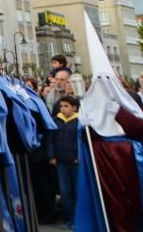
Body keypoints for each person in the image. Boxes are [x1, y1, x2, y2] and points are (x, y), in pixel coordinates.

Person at [49, 95, 79, 228]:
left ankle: (78, 219)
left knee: (77, 191)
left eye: (66, 106)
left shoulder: (79, 122)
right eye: (61, 106)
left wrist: (79, 156)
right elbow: (51, 140)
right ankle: (69, 219)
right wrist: (52, 156)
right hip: (61, 162)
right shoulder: (56, 121)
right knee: (64, 191)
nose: (63, 109)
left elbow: (82, 141)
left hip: (75, 162)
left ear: (74, 107)